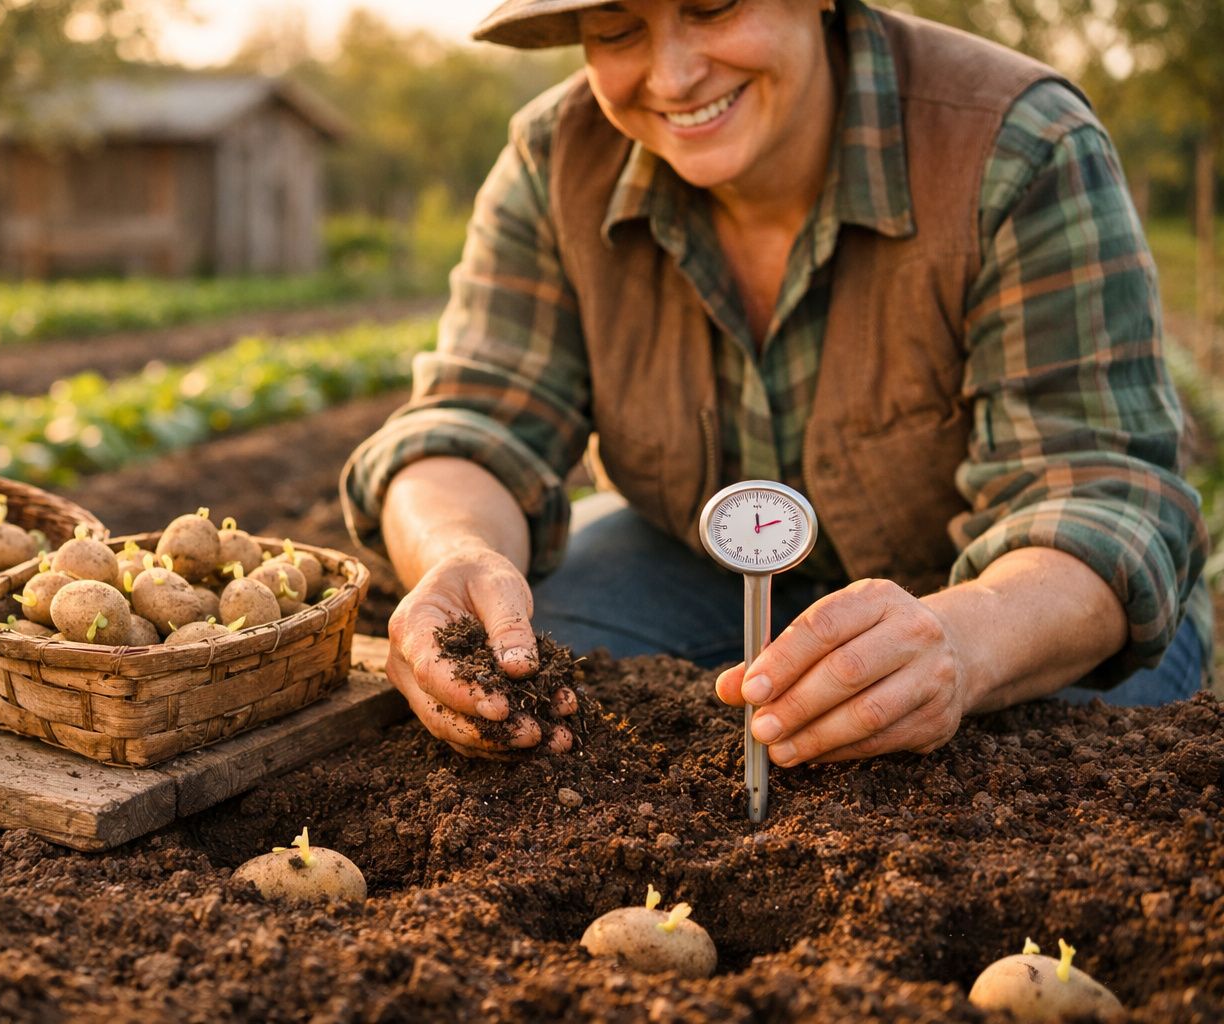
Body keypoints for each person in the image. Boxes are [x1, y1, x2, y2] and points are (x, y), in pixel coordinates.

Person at [339, 0, 1212, 763]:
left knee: (1049, 764)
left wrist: (961, 641)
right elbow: (473, 419)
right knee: (522, 668)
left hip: (987, 596)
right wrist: (458, 552)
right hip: (697, 565)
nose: (674, 75)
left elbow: (1099, 499)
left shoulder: (1016, 146)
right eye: (616, 29)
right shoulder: (555, 161)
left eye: (715, 6)